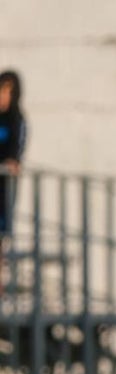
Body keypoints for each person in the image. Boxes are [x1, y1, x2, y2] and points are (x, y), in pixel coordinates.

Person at [0, 69, 27, 293]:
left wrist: (12, 162)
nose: (4, 97)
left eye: (9, 92)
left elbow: (15, 155)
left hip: (3, 189)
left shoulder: (17, 121)